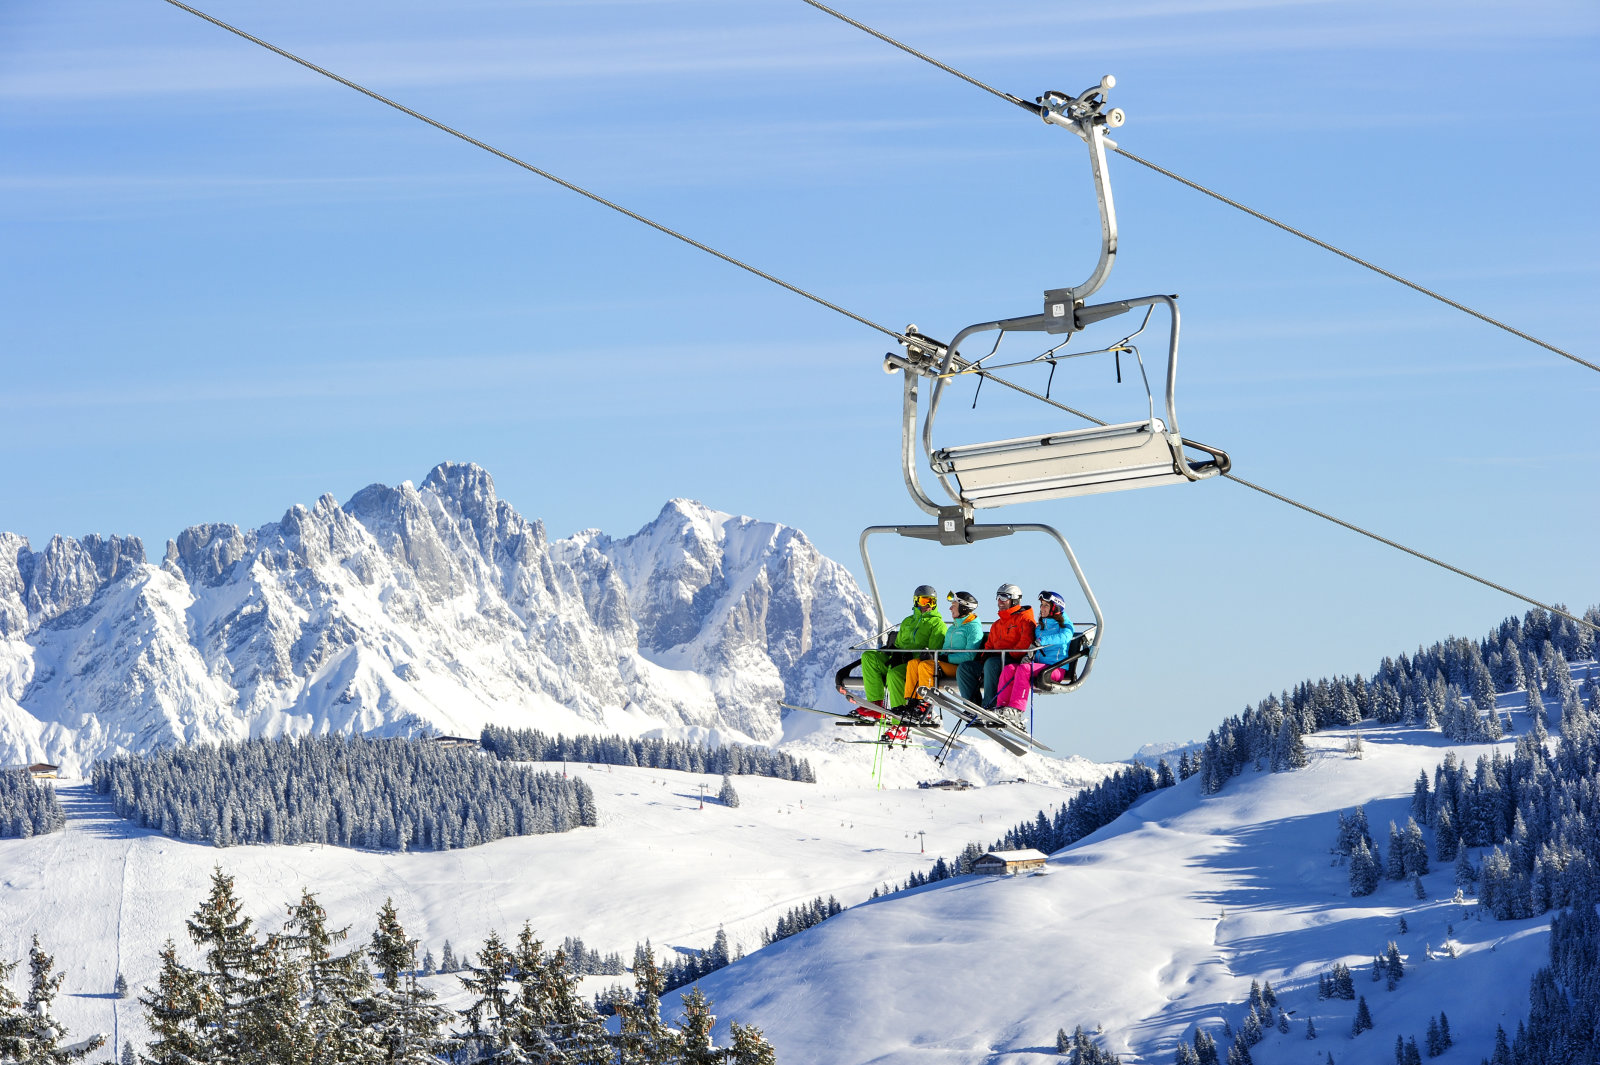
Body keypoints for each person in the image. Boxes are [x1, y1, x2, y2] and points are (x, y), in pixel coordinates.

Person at [860, 585, 947, 722]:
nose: (928, 605)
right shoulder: (907, 621)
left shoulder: (937, 624)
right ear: (916, 601)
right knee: (868, 656)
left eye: (932, 602)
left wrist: (913, 655)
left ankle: (898, 719)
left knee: (894, 674)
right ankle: (875, 705)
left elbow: (933, 652)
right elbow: (899, 644)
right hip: (899, 660)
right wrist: (893, 653)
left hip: (914, 666)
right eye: (925, 601)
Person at [995, 590, 1075, 718]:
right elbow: (1034, 646)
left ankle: (1017, 709)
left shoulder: (1065, 625)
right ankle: (1001, 707)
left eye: (1046, 605)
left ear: (1055, 608)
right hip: (1039, 666)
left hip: (1055, 668)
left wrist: (1041, 641)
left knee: (1025, 669)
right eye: (1041, 605)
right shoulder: (1041, 626)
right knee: (1009, 669)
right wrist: (1028, 656)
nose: (1042, 608)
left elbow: (1065, 637)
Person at [956, 584, 1034, 713]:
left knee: (992, 664)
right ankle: (972, 706)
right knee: (965, 668)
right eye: (998, 597)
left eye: (1004, 597)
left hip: (1012, 662)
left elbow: (1025, 644)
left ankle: (990, 706)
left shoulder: (1025, 620)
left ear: (1014, 600)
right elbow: (989, 645)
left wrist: (1006, 655)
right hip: (994, 662)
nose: (999, 601)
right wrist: (985, 655)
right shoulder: (997, 624)